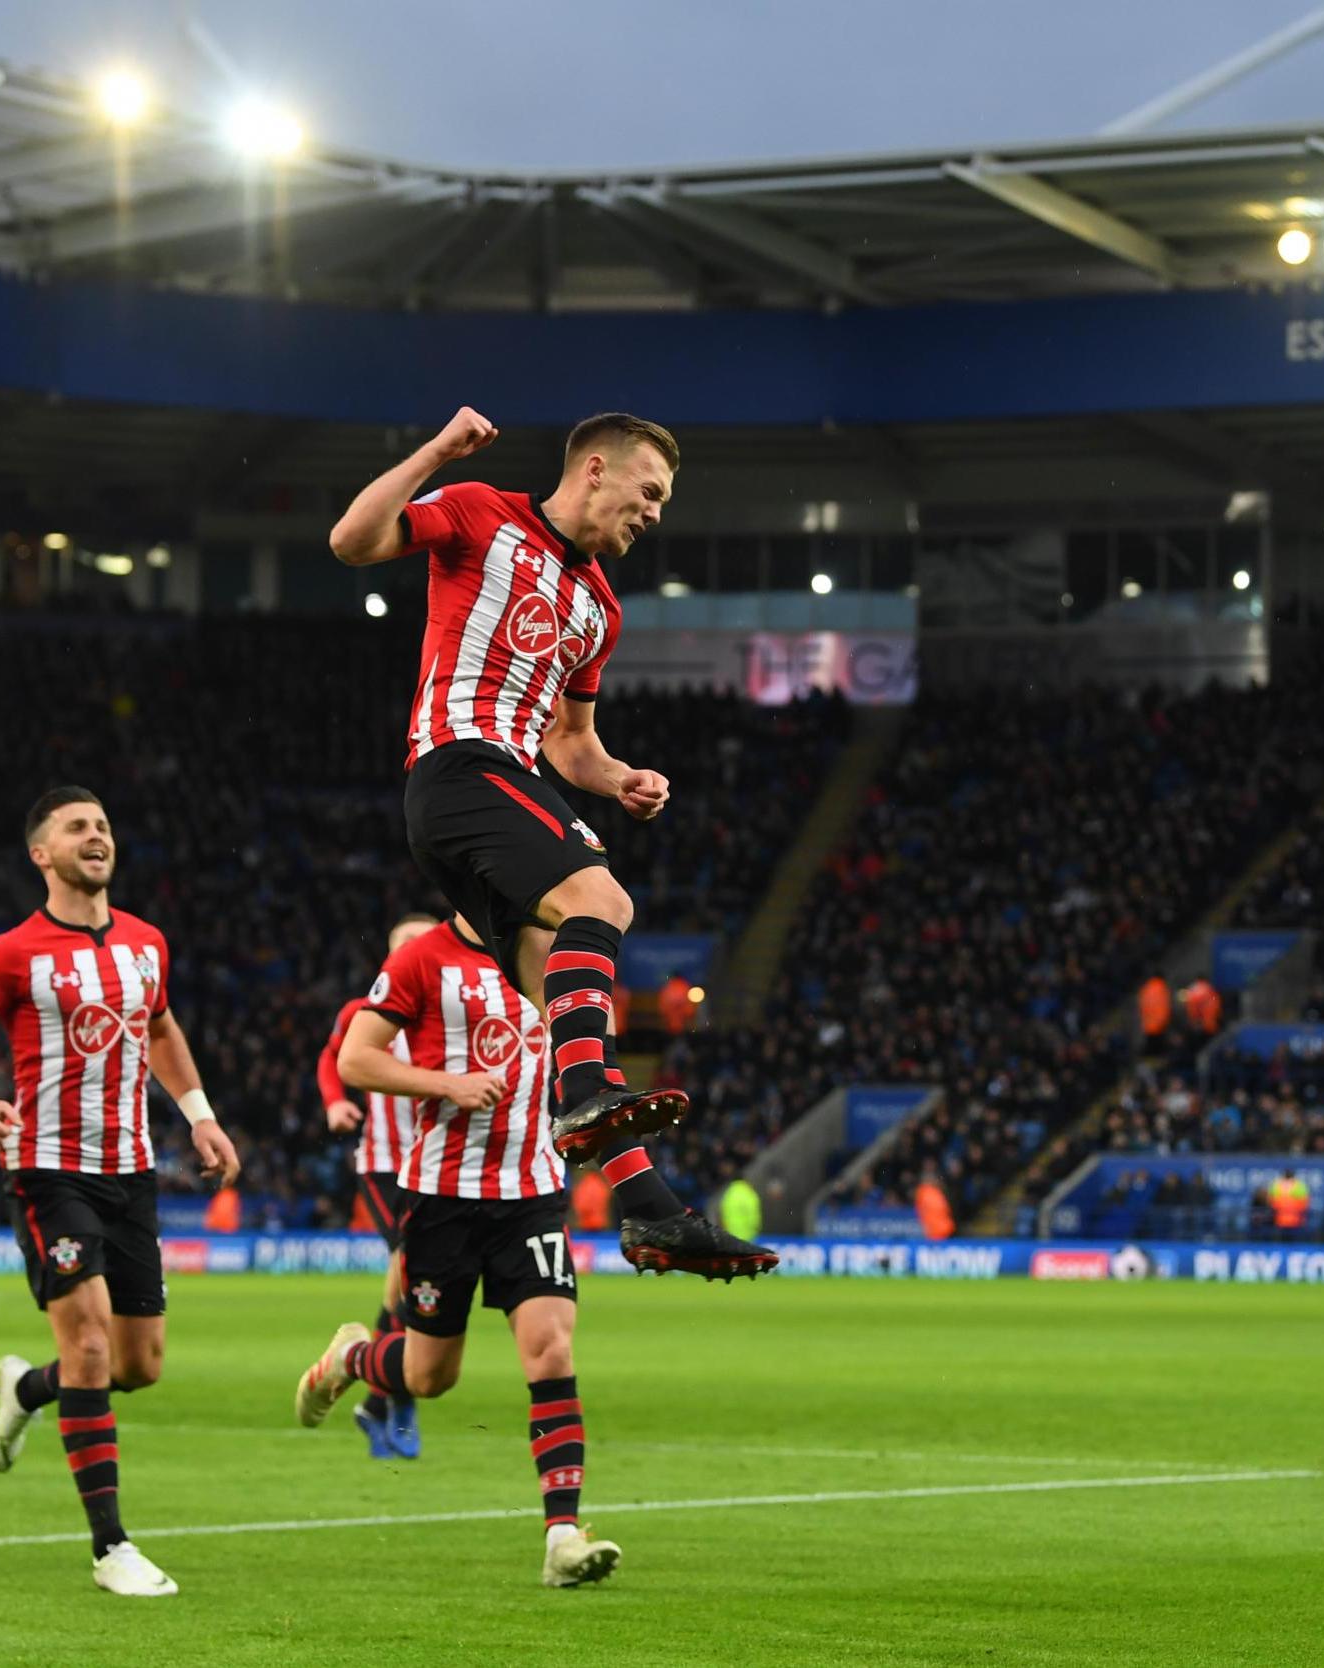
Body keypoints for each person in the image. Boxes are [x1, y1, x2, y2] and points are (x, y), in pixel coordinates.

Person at [329, 405, 774, 1282]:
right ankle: (582, 1103)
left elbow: (571, 744)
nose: (653, 514)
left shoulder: (600, 608)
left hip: (506, 783)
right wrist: (434, 451)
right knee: (603, 900)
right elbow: (351, 541)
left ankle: (651, 1217)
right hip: (459, 767)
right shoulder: (478, 510)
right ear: (595, 470)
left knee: (563, 1008)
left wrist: (620, 780)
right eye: (648, 492)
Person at [0, 786, 241, 1599]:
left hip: (130, 1171)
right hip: (47, 1167)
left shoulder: (145, 943)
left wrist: (199, 1116)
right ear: (42, 855)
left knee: (137, 1366)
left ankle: (27, 1388)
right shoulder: (8, 954)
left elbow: (161, 1029)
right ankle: (111, 1548)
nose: (95, 835)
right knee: (92, 1347)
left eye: (102, 825)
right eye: (76, 827)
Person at [294, 912, 620, 1589]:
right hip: (442, 1197)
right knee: (427, 1378)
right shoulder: (423, 958)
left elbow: (593, 1050)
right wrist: (450, 1084)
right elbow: (354, 1057)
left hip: (531, 1193)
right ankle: (352, 1356)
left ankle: (561, 1534)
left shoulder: (554, 958)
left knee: (551, 1347)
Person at [315, 911, 440, 1460]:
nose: (413, 951)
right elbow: (331, 1057)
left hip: (439, 1164)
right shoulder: (364, 1013)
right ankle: (392, 1392)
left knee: (417, 1278)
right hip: (386, 1164)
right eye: (402, 944)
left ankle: (381, 1396)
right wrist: (335, 1101)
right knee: (413, 1264)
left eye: (421, 942)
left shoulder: (453, 1012)